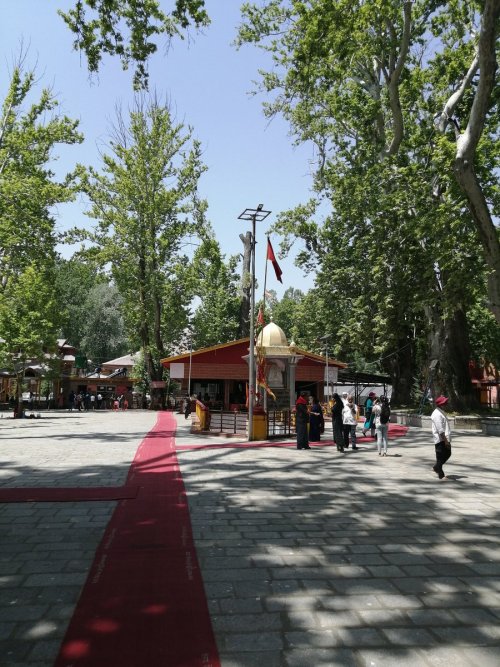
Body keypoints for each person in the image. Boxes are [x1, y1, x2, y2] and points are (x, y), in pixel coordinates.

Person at [431, 395, 452, 480]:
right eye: (444, 403)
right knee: (440, 456)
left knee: (447, 453)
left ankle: (436, 467)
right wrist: (445, 441)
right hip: (440, 439)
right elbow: (440, 430)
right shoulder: (437, 414)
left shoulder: (440, 412)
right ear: (441, 404)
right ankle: (441, 474)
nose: (446, 404)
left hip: (444, 438)